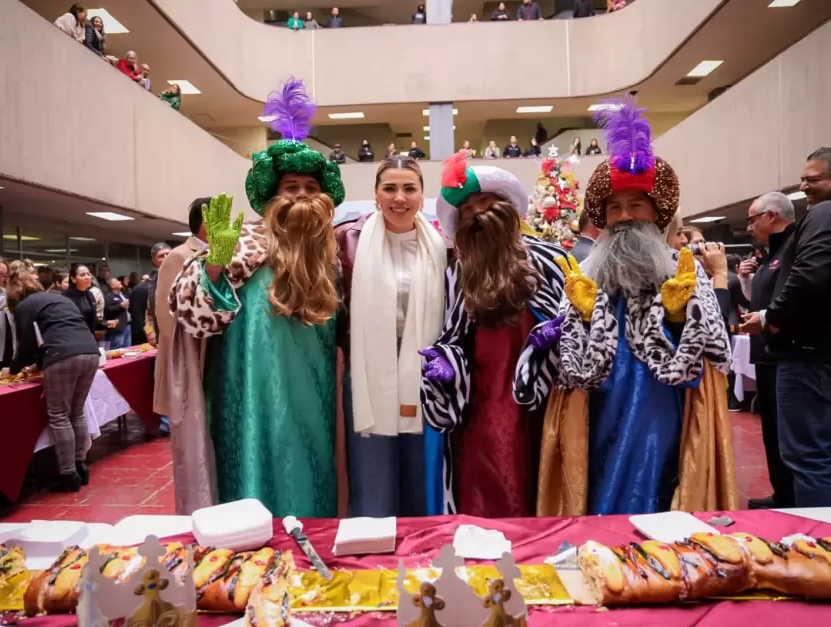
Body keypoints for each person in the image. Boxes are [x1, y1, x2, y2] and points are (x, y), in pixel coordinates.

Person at [515, 97, 736, 516]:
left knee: (654, 477)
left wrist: (676, 317)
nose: (623, 216)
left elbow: (713, 350)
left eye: (636, 205)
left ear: (656, 213)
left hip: (661, 404)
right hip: (597, 403)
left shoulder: (681, 268)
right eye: (614, 208)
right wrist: (578, 317)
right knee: (595, 476)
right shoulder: (587, 271)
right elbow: (567, 359)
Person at [167, 78, 346, 516]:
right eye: (291, 188)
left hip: (315, 388)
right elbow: (193, 316)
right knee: (253, 464)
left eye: (310, 188)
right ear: (272, 196)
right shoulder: (243, 244)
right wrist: (216, 262)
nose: (302, 195)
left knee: (311, 464)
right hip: (246, 387)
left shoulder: (336, 254)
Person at [420, 152, 568, 517]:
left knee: (540, 480)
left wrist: (555, 339)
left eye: (485, 202)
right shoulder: (458, 272)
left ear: (506, 207)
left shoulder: (550, 258)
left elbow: (578, 320)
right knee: (481, 484)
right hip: (479, 402)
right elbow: (451, 335)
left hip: (544, 401)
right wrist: (446, 363)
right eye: (468, 211)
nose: (477, 214)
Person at [741, 147, 831, 508]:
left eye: (813, 180)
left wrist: (772, 317)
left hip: (813, 354)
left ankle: (824, 545)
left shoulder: (828, 214)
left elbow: (809, 275)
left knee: (808, 456)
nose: (803, 187)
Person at [335, 156, 447, 517]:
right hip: (369, 372)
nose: (399, 197)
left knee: (420, 473)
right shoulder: (346, 241)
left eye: (409, 188)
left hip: (424, 375)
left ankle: (420, 549)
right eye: (390, 188)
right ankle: (371, 544)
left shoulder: (443, 246)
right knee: (372, 474)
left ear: (422, 194)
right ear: (376, 194)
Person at [10, 272, 101, 493]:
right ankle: (81, 466)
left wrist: (14, 369)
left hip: (62, 355)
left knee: (60, 416)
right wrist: (40, 364)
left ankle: (68, 474)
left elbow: (27, 344)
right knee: (77, 412)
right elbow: (62, 331)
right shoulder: (60, 299)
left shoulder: (24, 307)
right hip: (91, 351)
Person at [737, 191, 796, 509]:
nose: (748, 227)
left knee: (787, 436)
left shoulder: (792, 249)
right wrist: (746, 282)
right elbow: (757, 303)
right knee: (771, 431)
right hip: (765, 356)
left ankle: (794, 497)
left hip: (782, 355)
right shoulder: (768, 255)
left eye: (752, 219)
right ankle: (782, 493)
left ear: (772, 216)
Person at [152, 199, 210, 420]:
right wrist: (181, 350)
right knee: (189, 419)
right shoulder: (179, 255)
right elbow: (165, 310)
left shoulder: (225, 252)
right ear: (204, 220)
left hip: (215, 344)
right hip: (189, 346)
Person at [63, 263, 104, 335]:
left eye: (88, 274)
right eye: (82, 275)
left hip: (90, 336)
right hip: (74, 336)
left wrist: (105, 323)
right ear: (73, 279)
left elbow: (92, 319)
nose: (87, 277)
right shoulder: (66, 297)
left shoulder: (90, 294)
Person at [103, 277, 131, 349]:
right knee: (117, 348)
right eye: (116, 281)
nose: (119, 282)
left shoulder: (123, 294)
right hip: (117, 327)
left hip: (127, 325)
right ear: (112, 286)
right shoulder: (109, 296)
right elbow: (107, 309)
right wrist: (120, 306)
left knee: (127, 348)